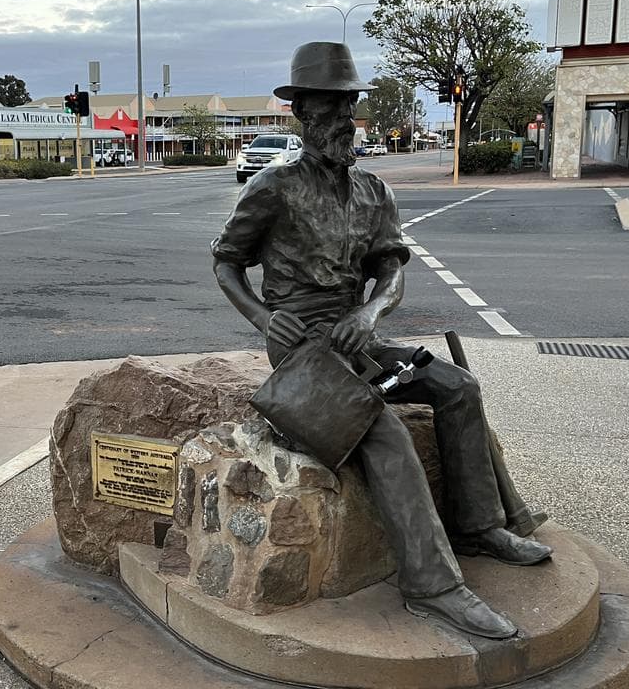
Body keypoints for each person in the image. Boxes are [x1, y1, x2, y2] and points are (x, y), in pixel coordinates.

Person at [211, 42, 551, 639]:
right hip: (300, 350)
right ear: (302, 114)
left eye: (349, 105)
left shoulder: (374, 192)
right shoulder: (272, 188)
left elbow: (393, 269)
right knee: (383, 430)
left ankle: (478, 526)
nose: (344, 118)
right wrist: (266, 320)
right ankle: (432, 583)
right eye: (329, 106)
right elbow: (225, 263)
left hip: (355, 336)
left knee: (457, 386)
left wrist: (369, 313)